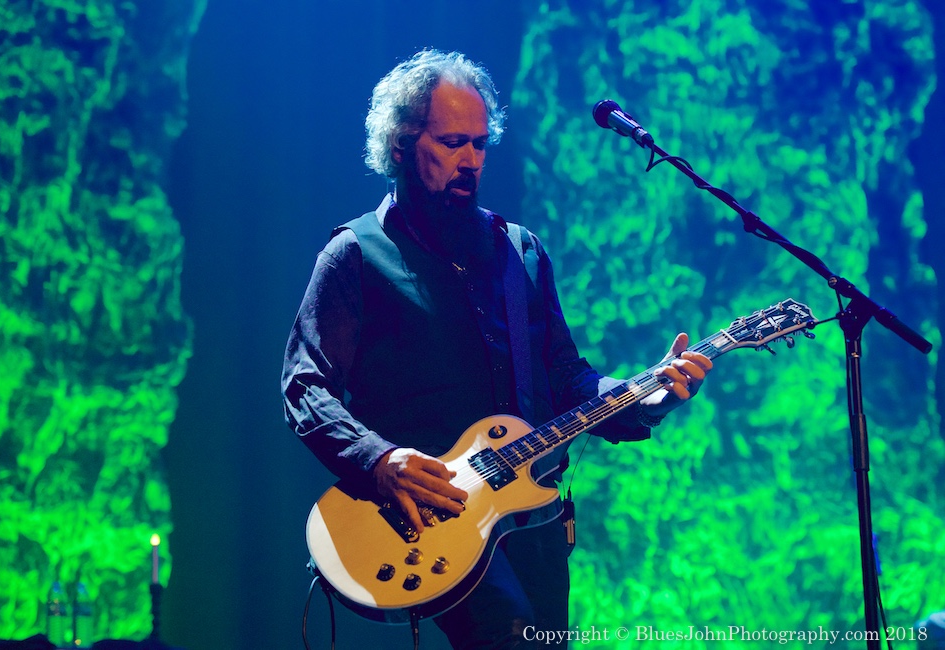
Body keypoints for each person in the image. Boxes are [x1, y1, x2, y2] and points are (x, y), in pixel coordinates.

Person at [282, 49, 713, 649]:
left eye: (481, 145)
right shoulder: (355, 256)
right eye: (453, 142)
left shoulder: (520, 252)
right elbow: (306, 387)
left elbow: (569, 379)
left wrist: (652, 394)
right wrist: (380, 461)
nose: (471, 161)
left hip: (532, 518)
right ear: (401, 146)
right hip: (428, 520)